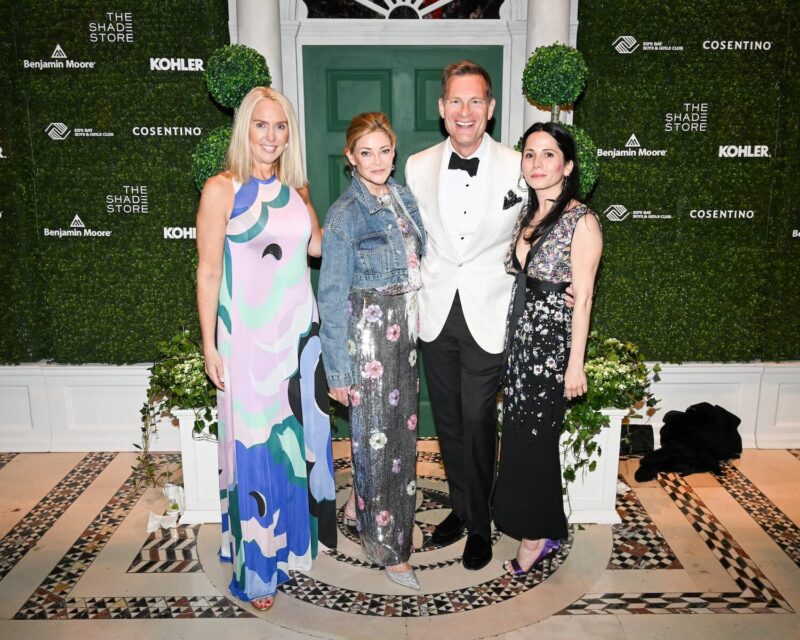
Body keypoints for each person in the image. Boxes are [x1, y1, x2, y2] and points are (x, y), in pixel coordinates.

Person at [195, 86, 336, 611]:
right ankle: (257, 570)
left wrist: (370, 211)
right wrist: (209, 343)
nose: (271, 136)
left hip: (300, 340)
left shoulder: (296, 190)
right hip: (249, 342)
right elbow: (208, 271)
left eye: (280, 127)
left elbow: (320, 246)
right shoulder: (222, 190)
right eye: (261, 125)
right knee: (256, 449)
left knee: (294, 449)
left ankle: (291, 550)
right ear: (244, 130)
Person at [404, 60, 527, 570]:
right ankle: (461, 505)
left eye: (475, 100)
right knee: (450, 421)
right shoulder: (415, 165)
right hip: (435, 310)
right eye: (455, 100)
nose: (465, 111)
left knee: (479, 419)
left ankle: (481, 525)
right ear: (441, 107)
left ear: (491, 108)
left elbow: (541, 224)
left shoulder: (521, 164)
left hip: (489, 308)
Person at [318, 112, 425, 590]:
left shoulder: (402, 197)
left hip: (406, 335)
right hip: (370, 339)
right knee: (377, 445)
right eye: (366, 152)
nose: (377, 160)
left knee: (398, 443)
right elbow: (332, 294)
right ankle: (388, 546)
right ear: (350, 157)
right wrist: (339, 370)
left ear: (394, 150)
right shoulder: (344, 214)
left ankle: (378, 511)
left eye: (384, 150)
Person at [492, 122, 603, 575]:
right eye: (530, 154)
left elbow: (585, 297)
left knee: (534, 445)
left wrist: (574, 365)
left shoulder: (583, 221)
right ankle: (545, 525)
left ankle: (534, 539)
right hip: (522, 345)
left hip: (552, 350)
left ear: (568, 165)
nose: (537, 163)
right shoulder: (528, 214)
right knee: (519, 440)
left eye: (549, 154)